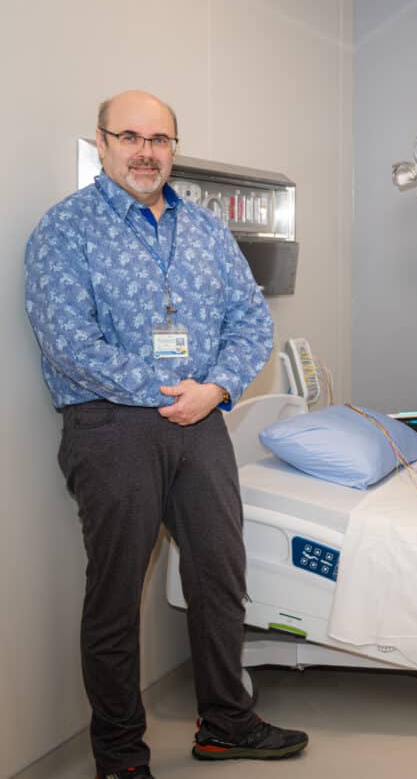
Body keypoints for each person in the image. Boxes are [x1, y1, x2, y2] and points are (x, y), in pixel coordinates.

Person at [23, 91, 308, 779]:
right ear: (102, 142)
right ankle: (120, 755)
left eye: (160, 139)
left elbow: (251, 320)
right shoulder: (65, 231)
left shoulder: (206, 230)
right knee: (116, 594)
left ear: (173, 148)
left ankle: (225, 722)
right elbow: (68, 343)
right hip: (111, 427)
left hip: (202, 419)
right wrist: (164, 391)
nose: (146, 151)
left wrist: (215, 389)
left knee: (220, 572)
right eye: (131, 136)